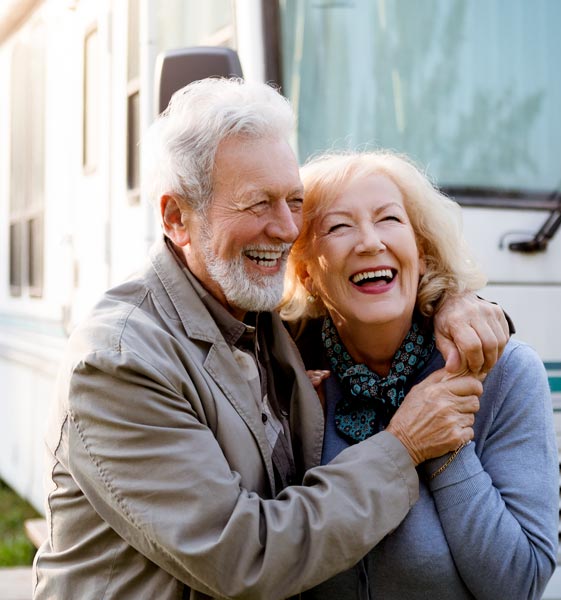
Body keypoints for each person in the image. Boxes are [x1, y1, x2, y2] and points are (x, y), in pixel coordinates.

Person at [33, 79, 511, 600]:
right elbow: (245, 558)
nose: (286, 229)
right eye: (258, 204)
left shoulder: (260, 319)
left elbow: (373, 300)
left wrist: (457, 304)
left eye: (294, 201)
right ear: (175, 217)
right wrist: (403, 446)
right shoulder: (120, 363)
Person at [280, 150, 559, 600]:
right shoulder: (284, 374)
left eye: (389, 219)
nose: (370, 242)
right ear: (307, 273)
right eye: (339, 226)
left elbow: (519, 584)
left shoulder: (506, 373)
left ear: (423, 253)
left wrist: (445, 447)